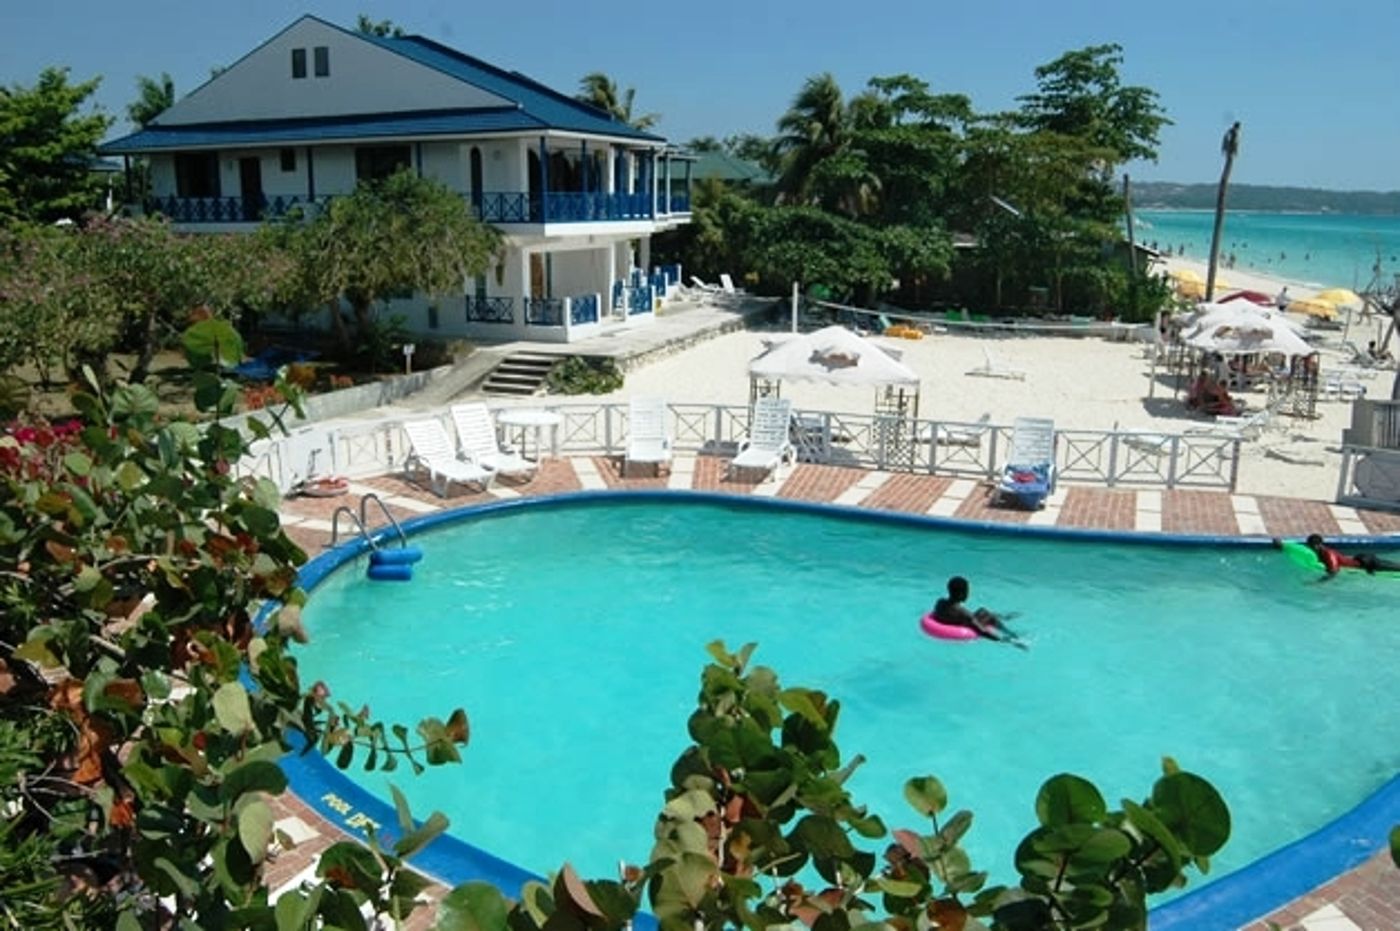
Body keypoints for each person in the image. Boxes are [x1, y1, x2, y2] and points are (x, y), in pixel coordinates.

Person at [932, 577, 1027, 648]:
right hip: (962, 624)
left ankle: (1001, 617)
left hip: (955, 620)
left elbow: (938, 614)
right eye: (967, 591)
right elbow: (982, 631)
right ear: (961, 594)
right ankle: (1012, 634)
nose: (968, 594)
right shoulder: (964, 613)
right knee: (989, 616)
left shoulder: (940, 602)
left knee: (982, 611)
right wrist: (1006, 641)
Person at [1302, 534, 1400, 577]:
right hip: (1359, 559)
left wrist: (1319, 582)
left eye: (1311, 546)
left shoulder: (1329, 554)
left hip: (1367, 563)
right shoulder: (1320, 551)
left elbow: (1334, 572)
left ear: (1318, 545)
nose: (1310, 548)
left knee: (1395, 567)